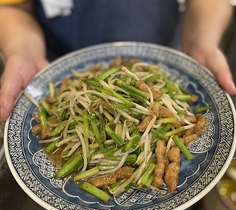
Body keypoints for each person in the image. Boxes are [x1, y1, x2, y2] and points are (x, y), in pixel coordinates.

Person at [0, 0, 235, 122]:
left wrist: (200, 39)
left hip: (163, 66)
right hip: (63, 74)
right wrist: (22, 49)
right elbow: (13, 7)